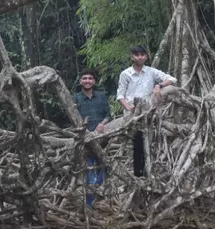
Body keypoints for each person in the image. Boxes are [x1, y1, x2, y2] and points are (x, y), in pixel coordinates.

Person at [116, 45, 176, 177]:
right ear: (132, 57)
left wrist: (158, 85)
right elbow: (120, 95)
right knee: (137, 144)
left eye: (142, 54)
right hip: (133, 114)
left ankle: (151, 172)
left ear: (146, 56)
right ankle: (139, 175)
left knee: (150, 142)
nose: (140, 57)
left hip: (149, 112)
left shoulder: (151, 71)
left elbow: (172, 79)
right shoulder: (126, 74)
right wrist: (128, 108)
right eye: (137, 55)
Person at [73, 70, 109, 206]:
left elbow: (108, 115)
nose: (87, 80)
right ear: (80, 81)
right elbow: (73, 118)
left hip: (102, 139)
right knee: (89, 169)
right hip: (86, 141)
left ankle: (95, 199)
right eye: (84, 78)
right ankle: (89, 205)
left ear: (94, 81)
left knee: (104, 167)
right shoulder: (75, 98)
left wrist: (102, 124)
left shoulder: (101, 96)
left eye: (90, 78)